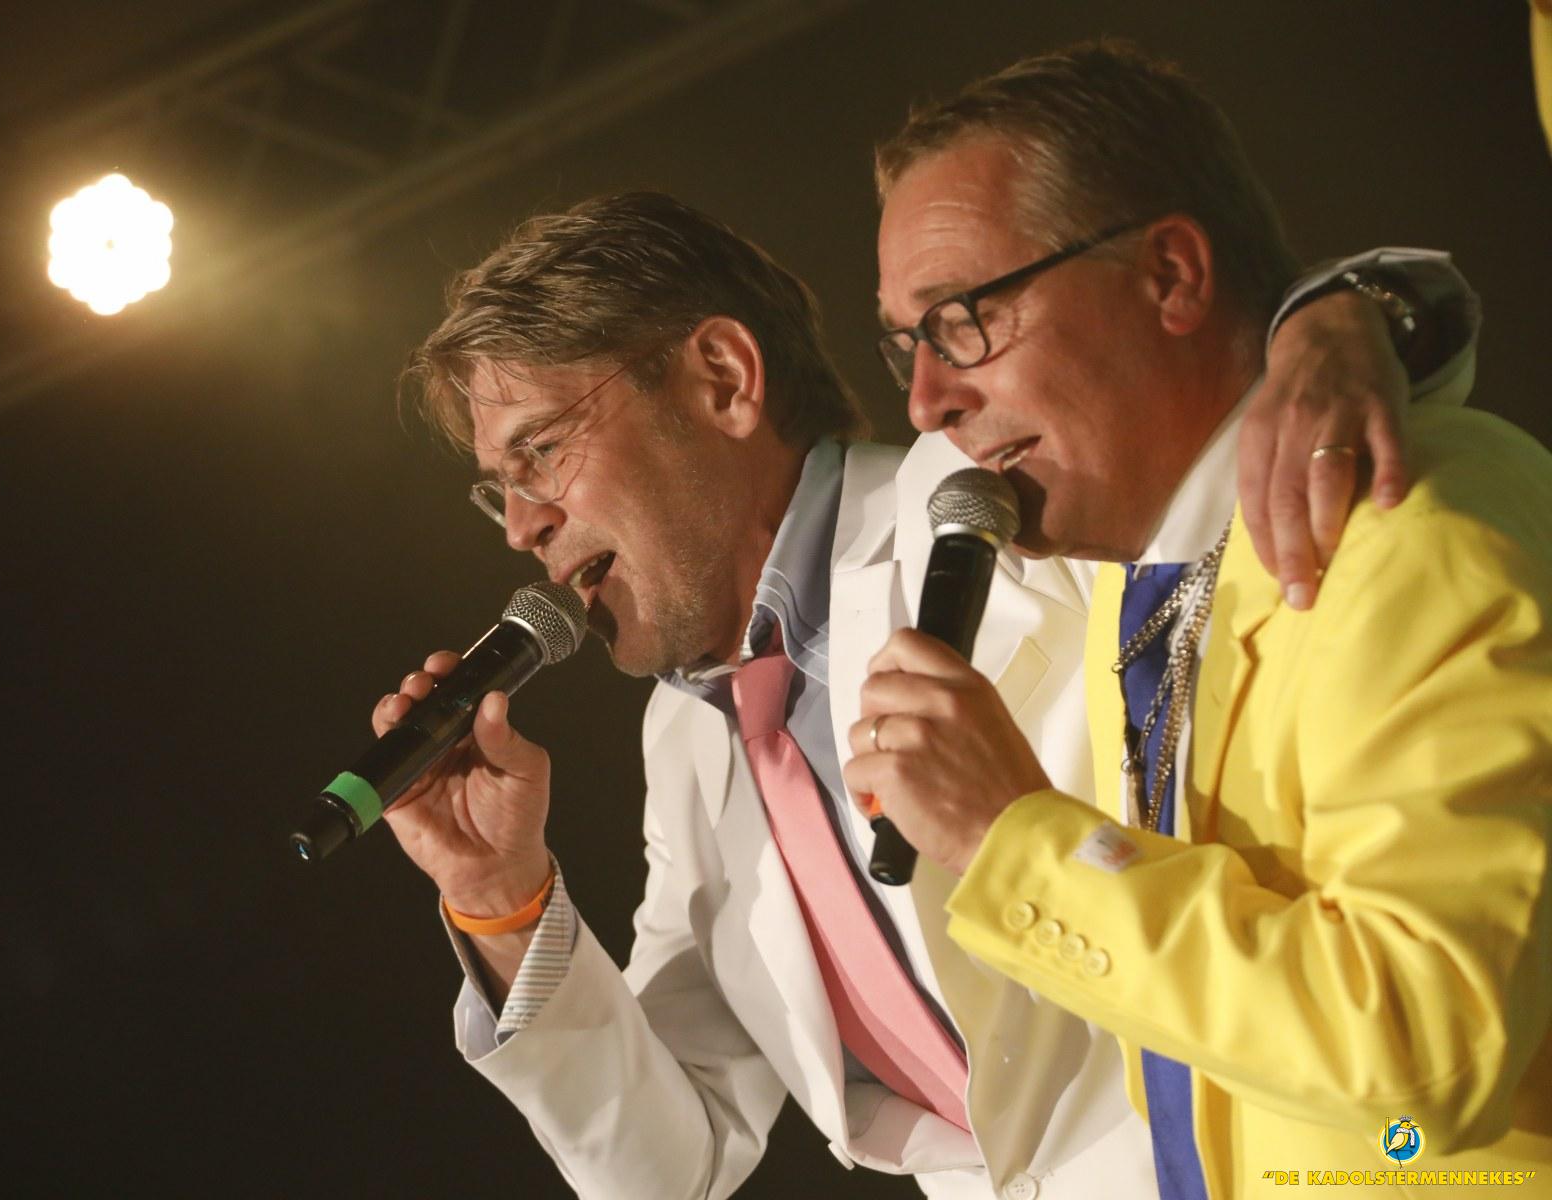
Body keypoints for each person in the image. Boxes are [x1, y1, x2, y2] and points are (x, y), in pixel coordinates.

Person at [375, 191, 1475, 1199]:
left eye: (542, 451)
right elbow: (667, 1168)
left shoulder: (993, 499)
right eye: (500, 490)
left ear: (723, 379)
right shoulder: (689, 737)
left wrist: (1345, 312)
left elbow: (1214, 409)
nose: (522, 527)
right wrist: (501, 900)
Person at [848, 41, 1550, 1199]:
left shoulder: (1406, 530)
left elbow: (1426, 1051)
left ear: (1171, 275)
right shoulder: (1142, 585)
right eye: (904, 343)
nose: (926, 402)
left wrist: (1012, 835)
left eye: (963, 318)